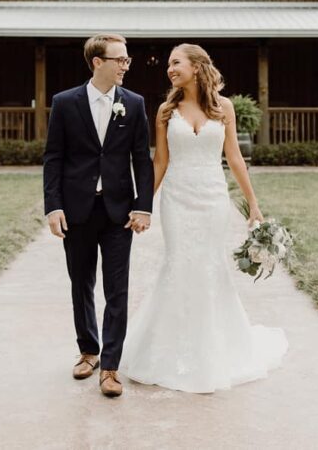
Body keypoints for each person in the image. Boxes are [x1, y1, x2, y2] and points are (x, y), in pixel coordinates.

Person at [121, 43, 287, 393]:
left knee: (210, 266)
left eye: (176, 62)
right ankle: (168, 351)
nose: (169, 69)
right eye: (169, 64)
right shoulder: (166, 110)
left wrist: (253, 203)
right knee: (178, 264)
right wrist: (143, 205)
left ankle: (213, 350)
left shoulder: (224, 107)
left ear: (196, 67)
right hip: (177, 199)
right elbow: (160, 162)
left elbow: (234, 158)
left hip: (212, 199)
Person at [42, 33, 154, 398]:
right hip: (77, 210)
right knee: (81, 283)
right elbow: (54, 157)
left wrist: (143, 205)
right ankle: (88, 351)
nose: (125, 66)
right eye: (120, 59)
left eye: (127, 60)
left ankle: (110, 367)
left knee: (117, 289)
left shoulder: (134, 103)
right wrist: (53, 206)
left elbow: (142, 159)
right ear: (97, 62)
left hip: (119, 212)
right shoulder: (65, 102)